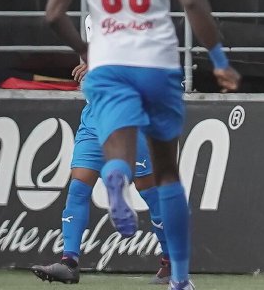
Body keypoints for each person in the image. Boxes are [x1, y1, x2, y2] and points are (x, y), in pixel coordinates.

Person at [45, 0, 240, 290]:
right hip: (155, 64)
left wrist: (83, 49)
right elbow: (192, 3)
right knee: (167, 173)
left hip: (109, 68)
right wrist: (220, 60)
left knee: (119, 154)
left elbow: (53, 12)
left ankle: (115, 175)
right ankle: (181, 280)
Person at [31, 17, 172, 285]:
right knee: (78, 186)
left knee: (149, 191)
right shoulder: (91, 18)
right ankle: (69, 262)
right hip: (95, 115)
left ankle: (170, 260)